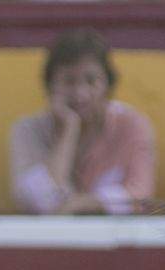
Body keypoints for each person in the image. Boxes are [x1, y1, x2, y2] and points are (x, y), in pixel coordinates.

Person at [10, 28, 155, 215]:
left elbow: (140, 197)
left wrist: (84, 204)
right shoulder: (28, 130)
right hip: (50, 240)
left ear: (108, 85)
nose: (80, 93)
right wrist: (69, 130)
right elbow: (40, 202)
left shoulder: (132, 125)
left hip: (116, 239)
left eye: (91, 81)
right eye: (69, 81)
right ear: (50, 86)